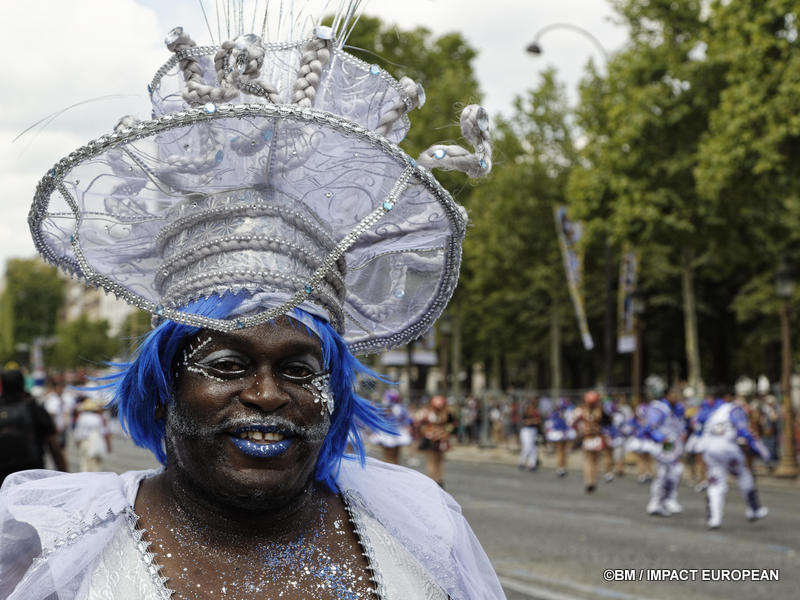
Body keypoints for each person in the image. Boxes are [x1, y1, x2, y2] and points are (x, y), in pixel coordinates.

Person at [0, 5, 503, 599]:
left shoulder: (420, 529)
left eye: (298, 369)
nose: (267, 395)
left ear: (335, 393)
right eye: (228, 366)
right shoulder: (55, 553)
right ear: (163, 387)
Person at [699, 392, 770, 529]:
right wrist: (760, 450)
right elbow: (742, 429)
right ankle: (754, 509)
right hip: (728, 450)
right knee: (743, 475)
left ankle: (714, 518)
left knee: (715, 483)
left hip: (710, 451)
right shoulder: (733, 409)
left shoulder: (711, 411)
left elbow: (698, 424)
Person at [0, 368, 68, 485]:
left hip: (3, 482)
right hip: (32, 479)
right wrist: (65, 478)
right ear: (23, 384)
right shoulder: (35, 410)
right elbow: (54, 449)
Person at [640, 389, 686, 516]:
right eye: (674, 394)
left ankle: (667, 500)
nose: (676, 397)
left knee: (674, 472)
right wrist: (661, 439)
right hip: (664, 445)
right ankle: (656, 503)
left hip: (673, 445)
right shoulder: (659, 407)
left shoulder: (675, 409)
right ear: (666, 395)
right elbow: (649, 427)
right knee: (664, 473)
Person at [572, 390, 610, 493]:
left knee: (589, 461)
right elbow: (608, 421)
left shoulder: (581, 410)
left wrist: (580, 430)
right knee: (594, 461)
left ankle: (589, 482)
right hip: (594, 437)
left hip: (588, 437)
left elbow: (572, 422)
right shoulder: (599, 410)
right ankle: (592, 482)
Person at [418, 395, 455, 487]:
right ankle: (436, 481)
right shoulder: (446, 414)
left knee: (435, 462)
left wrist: (444, 433)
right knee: (436, 462)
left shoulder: (428, 413)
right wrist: (442, 432)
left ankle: (436, 482)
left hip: (438, 439)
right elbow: (422, 427)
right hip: (433, 439)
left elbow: (452, 426)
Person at [368, 389, 412, 464]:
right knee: (387, 456)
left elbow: (406, 420)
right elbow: (378, 418)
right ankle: (387, 472)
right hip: (387, 432)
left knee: (395, 456)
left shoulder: (400, 408)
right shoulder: (383, 408)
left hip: (397, 432)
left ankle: (395, 473)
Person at [72, 397, 113, 472]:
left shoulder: (82, 417)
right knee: (96, 464)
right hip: (96, 441)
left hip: (85, 441)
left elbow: (78, 432)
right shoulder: (98, 418)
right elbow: (103, 432)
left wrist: (77, 442)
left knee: (84, 462)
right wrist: (108, 445)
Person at [545, 397, 576, 477]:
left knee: (562, 451)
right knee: (561, 451)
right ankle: (561, 467)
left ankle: (562, 467)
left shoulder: (564, 412)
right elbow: (551, 423)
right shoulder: (557, 413)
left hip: (563, 433)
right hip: (559, 434)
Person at [517, 399, 542, 471]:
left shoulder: (536, 413)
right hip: (526, 431)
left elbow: (538, 421)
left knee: (533, 448)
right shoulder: (525, 413)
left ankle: (532, 464)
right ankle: (522, 461)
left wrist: (533, 421)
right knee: (527, 447)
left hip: (534, 431)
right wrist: (533, 421)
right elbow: (526, 422)